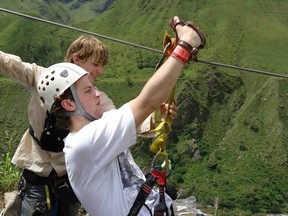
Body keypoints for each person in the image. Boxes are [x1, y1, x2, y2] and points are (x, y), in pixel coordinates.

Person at [37, 16, 205, 215]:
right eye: (88, 91)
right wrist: (184, 45)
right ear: (68, 103)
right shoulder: (83, 144)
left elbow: (141, 114)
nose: (98, 93)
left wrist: (156, 118)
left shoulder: (98, 127)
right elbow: (146, 101)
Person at [0, 34, 174, 215]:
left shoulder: (96, 100)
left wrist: (154, 120)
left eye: (102, 66)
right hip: (37, 172)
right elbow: (9, 64)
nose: (100, 71)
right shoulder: (44, 78)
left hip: (70, 179)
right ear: (77, 59)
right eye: (96, 64)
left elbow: (116, 121)